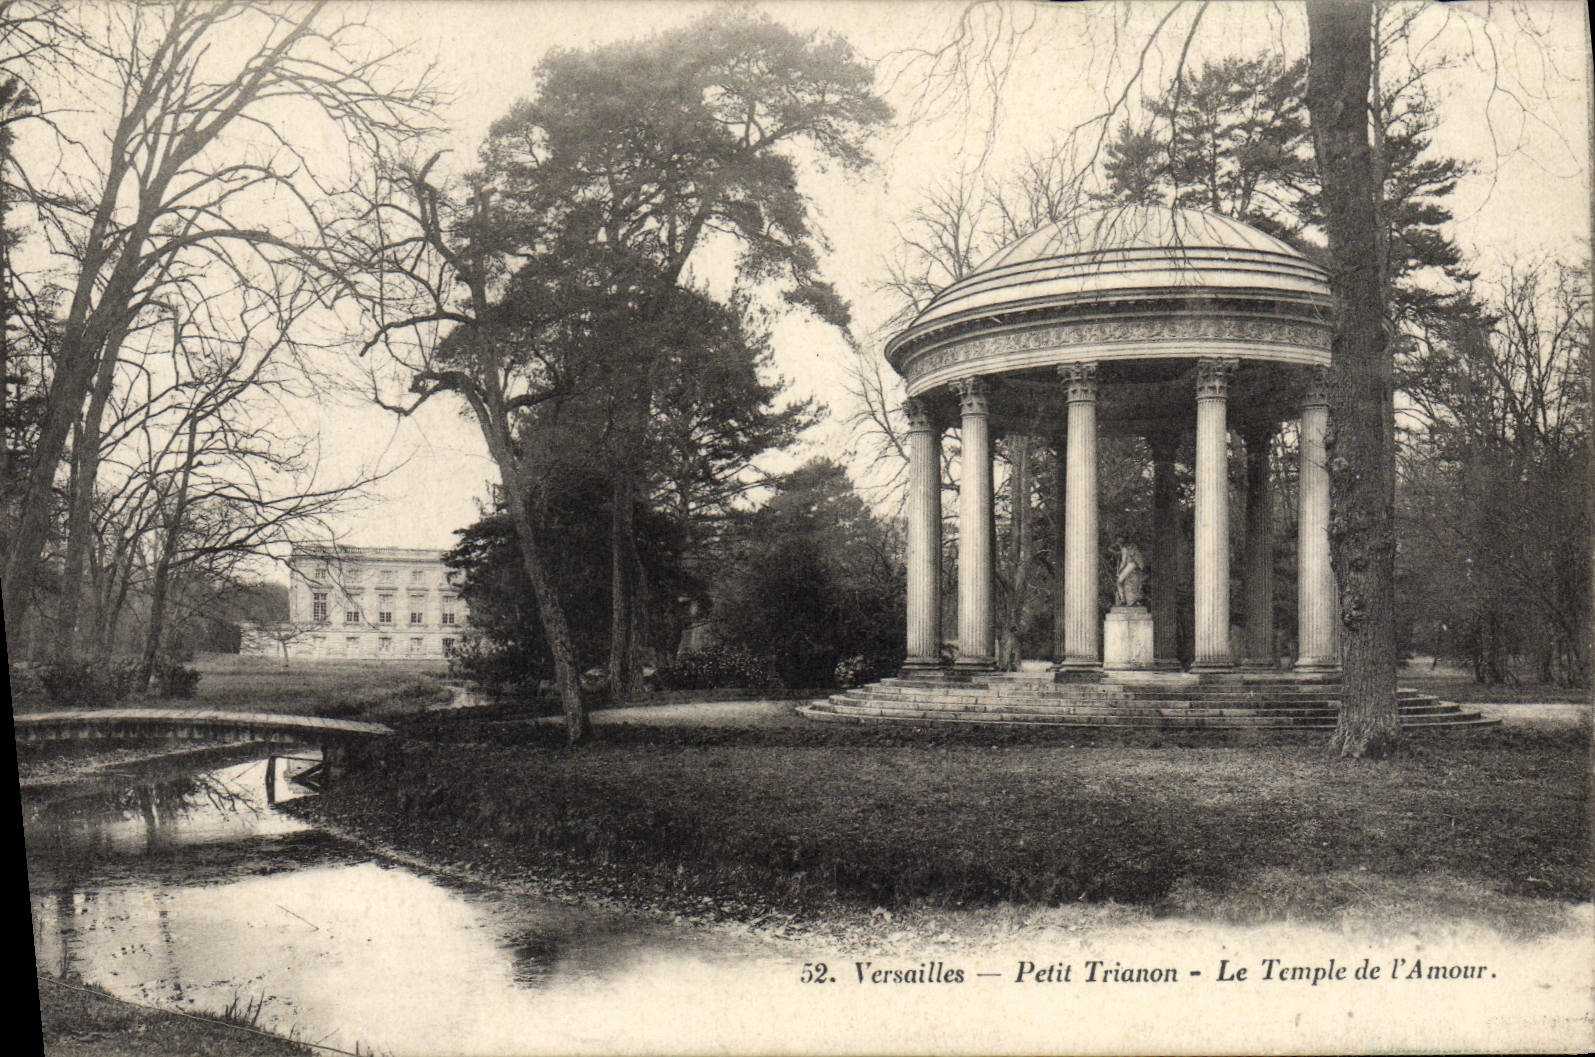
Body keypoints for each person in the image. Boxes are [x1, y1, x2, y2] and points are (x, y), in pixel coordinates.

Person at [1115, 541, 1146, 607]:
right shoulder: (1130, 549)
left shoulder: (1124, 549)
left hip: (1131, 565)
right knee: (1126, 583)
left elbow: (1123, 562)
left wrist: (1119, 571)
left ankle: (1124, 600)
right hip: (1133, 567)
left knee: (1119, 581)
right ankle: (1126, 600)